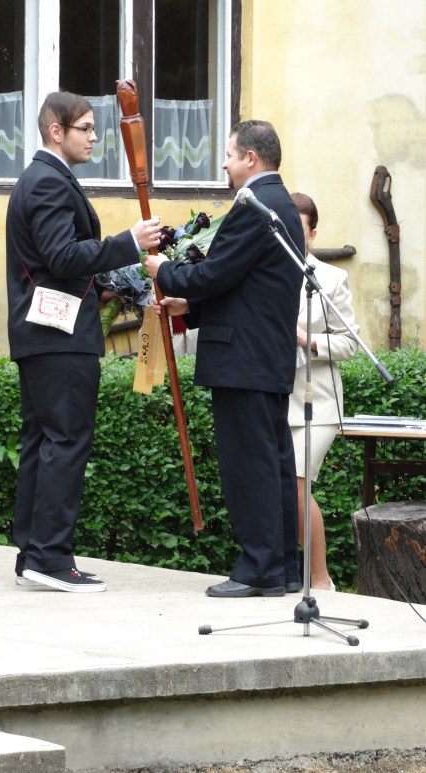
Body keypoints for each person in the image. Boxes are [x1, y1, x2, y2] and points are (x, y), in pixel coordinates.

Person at [6, 91, 162, 593]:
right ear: (57, 131)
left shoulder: (42, 178)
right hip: (59, 335)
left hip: (45, 332)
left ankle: (34, 553)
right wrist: (128, 243)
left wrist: (112, 281)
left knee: (45, 439)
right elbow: (63, 254)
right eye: (87, 128)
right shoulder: (50, 181)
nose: (95, 137)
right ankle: (50, 559)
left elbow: (58, 260)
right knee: (66, 440)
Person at [146, 120, 304, 598]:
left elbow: (216, 273)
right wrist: (188, 308)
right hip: (263, 356)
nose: (225, 163)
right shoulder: (282, 204)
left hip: (245, 359)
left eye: (231, 155)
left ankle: (258, 568)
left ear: (251, 158)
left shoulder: (255, 206)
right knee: (273, 464)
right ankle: (283, 569)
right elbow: (244, 286)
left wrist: (164, 271)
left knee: (249, 465)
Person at [289, 192, 358, 591]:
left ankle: (321, 580)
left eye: (300, 232)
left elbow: (349, 344)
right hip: (273, 397)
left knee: (298, 485)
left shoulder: (331, 278)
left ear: (313, 234)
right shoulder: (263, 272)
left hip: (318, 400)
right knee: (279, 489)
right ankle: (288, 576)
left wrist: (306, 341)